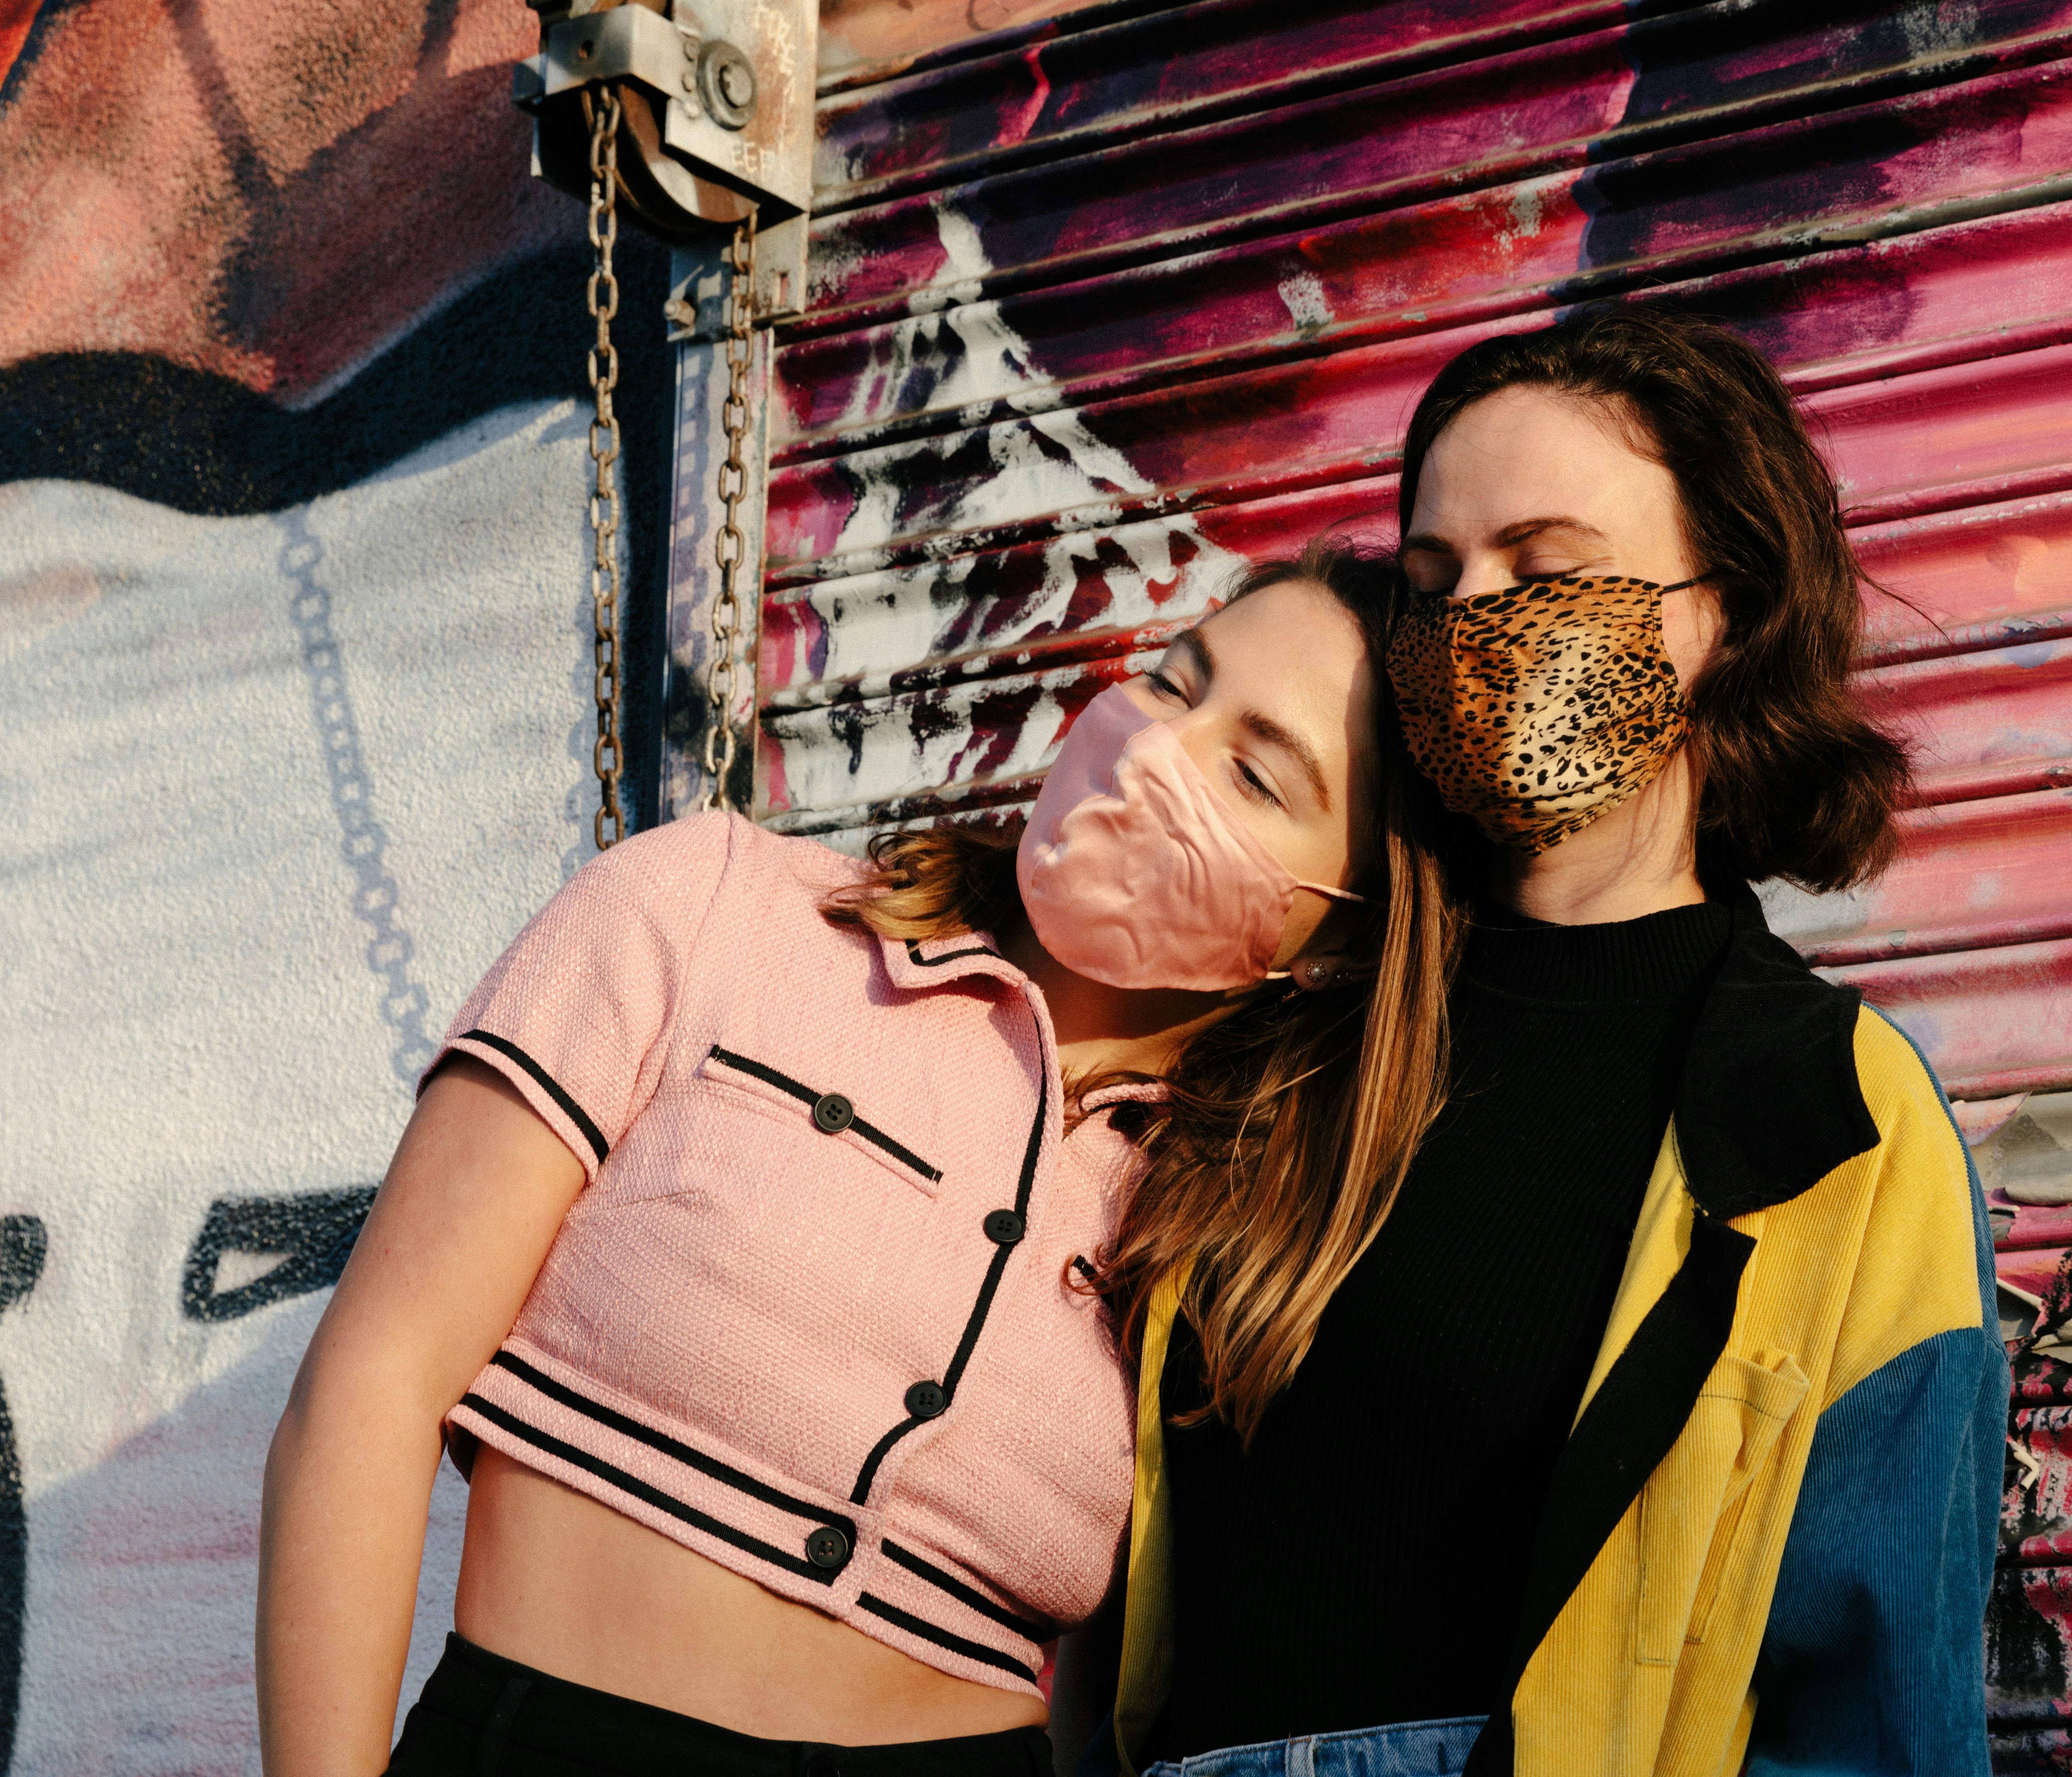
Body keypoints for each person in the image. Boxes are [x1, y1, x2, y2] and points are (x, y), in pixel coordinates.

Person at [253, 544, 1465, 1777]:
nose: (1159, 751)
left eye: (1255, 772)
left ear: (1338, 939)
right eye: (1173, 681)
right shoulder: (713, 905)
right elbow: (372, 1384)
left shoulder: (1262, 1227)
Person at [1093, 310, 2008, 1777]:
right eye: (1436, 579)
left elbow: (1875, 1705)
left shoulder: (1832, 1117)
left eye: (1549, 566)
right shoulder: (1299, 1019)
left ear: (1725, 614)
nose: (1472, 622)